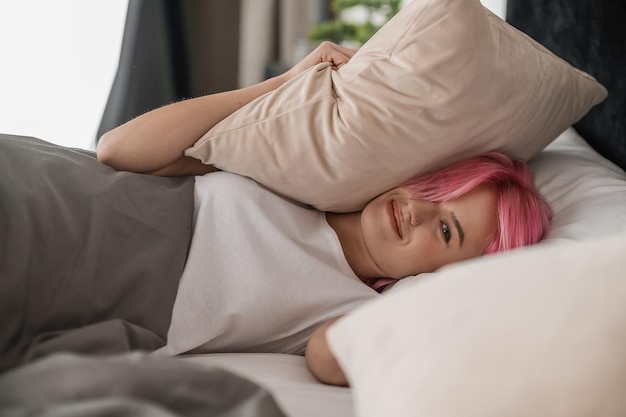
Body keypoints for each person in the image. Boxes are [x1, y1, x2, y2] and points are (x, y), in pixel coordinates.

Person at [97, 42, 552, 386]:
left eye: (448, 230)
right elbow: (117, 150)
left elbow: (326, 358)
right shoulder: (303, 175)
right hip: (83, 199)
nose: (416, 212)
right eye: (431, 189)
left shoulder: (357, 311)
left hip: (110, 298)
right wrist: (287, 83)